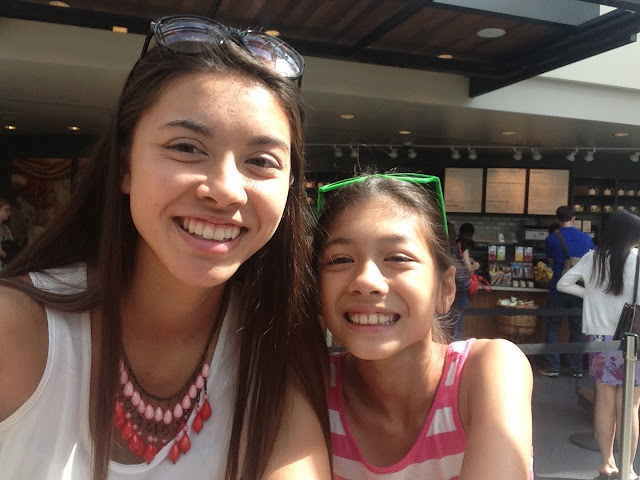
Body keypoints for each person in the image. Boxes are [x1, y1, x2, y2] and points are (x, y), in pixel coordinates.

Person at [0, 16, 331, 480]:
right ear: (125, 167)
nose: (225, 190)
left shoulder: (277, 349)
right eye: (187, 148)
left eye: (260, 161)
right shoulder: (17, 329)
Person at [313, 173, 533, 479]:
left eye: (397, 257)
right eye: (340, 260)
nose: (365, 281)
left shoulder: (488, 371)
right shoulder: (311, 386)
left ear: (446, 289)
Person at [557, 210, 640, 480]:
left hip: (599, 340)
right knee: (630, 405)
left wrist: (591, 296)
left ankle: (607, 462)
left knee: (604, 401)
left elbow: (563, 283)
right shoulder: (637, 260)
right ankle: (628, 469)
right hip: (631, 340)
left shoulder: (593, 257)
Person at [540, 205, 594, 378]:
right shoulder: (586, 239)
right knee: (577, 328)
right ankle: (576, 368)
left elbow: (551, 260)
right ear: (574, 219)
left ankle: (553, 367)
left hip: (558, 288)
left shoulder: (552, 239)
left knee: (553, 326)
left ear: (556, 220)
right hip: (579, 289)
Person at [448, 221, 479, 340]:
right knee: (457, 323)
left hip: (445, 289)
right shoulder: (460, 247)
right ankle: (455, 347)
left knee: (443, 322)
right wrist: (476, 265)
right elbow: (469, 268)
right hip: (460, 289)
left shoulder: (439, 248)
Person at [0, 198, 16, 269]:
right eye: (6, 210)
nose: (9, 213)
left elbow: (13, 246)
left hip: (5, 265)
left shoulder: (5, 228)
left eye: (9, 210)